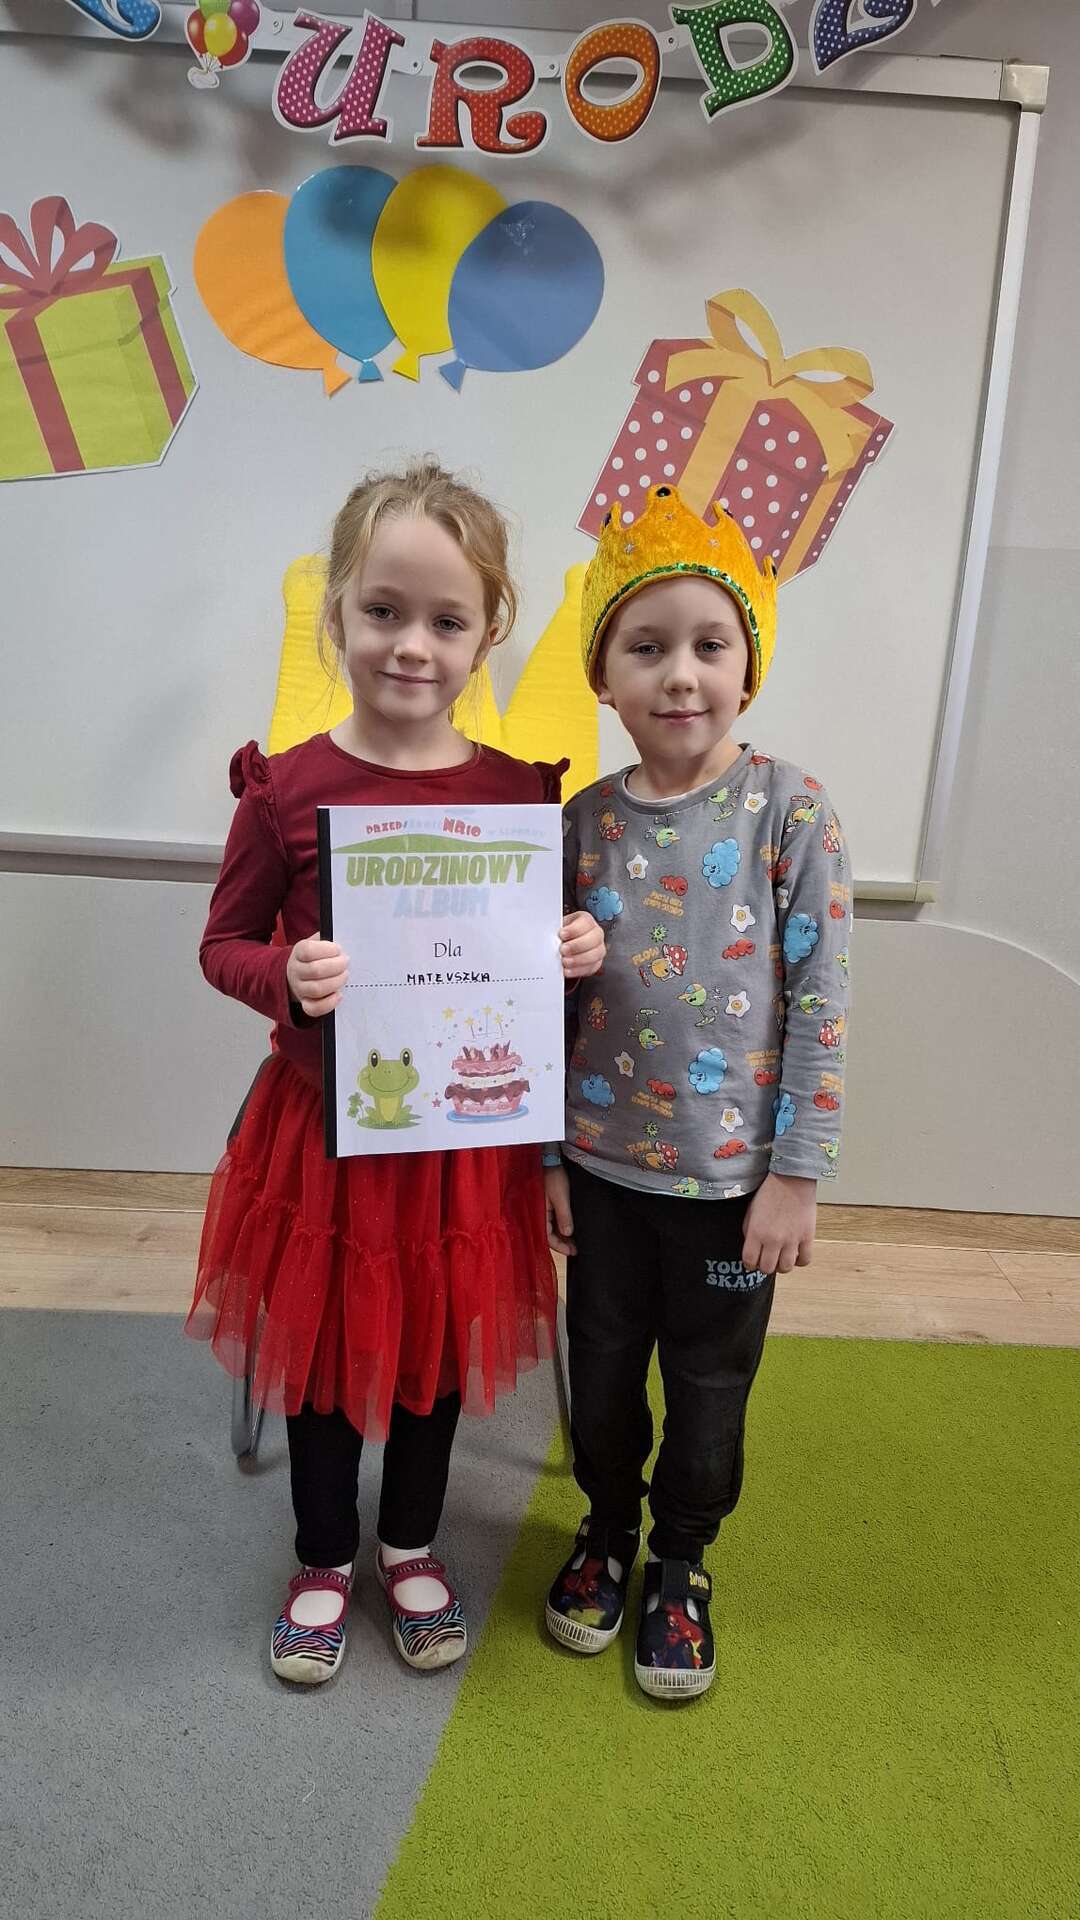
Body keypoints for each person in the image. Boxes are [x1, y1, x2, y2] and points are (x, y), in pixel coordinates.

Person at [186, 460, 604, 1686]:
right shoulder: (288, 787)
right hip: (324, 1137)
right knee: (323, 1353)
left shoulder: (515, 798)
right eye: (383, 610)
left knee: (433, 1351)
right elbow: (222, 944)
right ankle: (324, 1557)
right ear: (338, 611)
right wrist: (285, 974)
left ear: (487, 634)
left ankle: (410, 1544)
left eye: (446, 620)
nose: (412, 645)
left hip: (460, 1145)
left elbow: (527, 973)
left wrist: (572, 952)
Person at [543, 482, 851, 1699]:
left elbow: (823, 1001)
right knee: (604, 1372)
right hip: (602, 1171)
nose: (680, 675)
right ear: (603, 675)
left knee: (710, 1393)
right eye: (647, 647)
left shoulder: (793, 811)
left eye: (710, 646)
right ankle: (606, 1529)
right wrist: (546, 1158)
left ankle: (681, 1559)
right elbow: (538, 1009)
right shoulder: (579, 825)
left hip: (731, 1189)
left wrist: (797, 1176)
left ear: (747, 669)